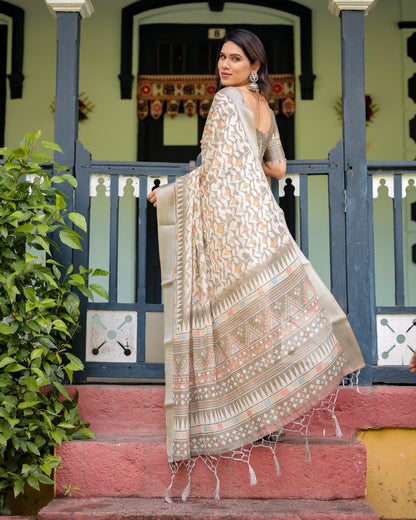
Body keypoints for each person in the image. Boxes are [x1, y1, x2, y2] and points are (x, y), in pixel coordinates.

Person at [148, 28, 365, 495]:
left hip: (231, 224)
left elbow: (215, 166)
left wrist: (168, 193)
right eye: (221, 58)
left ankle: (246, 415)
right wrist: (247, 161)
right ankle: (271, 411)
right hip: (263, 218)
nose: (224, 66)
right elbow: (279, 167)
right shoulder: (265, 109)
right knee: (263, 310)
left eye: (235, 59)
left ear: (255, 66)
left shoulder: (226, 103)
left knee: (230, 317)